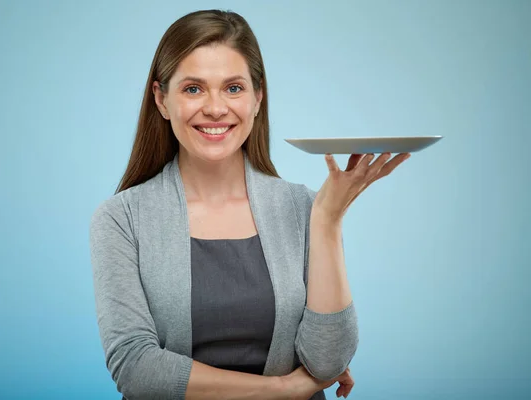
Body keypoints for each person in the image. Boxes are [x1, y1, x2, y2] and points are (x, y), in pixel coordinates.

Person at [89, 9, 410, 400]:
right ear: (161, 99)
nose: (215, 108)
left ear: (258, 98)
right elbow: (137, 370)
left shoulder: (304, 207)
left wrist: (327, 219)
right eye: (193, 89)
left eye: (234, 88)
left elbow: (326, 362)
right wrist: (284, 389)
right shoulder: (122, 219)